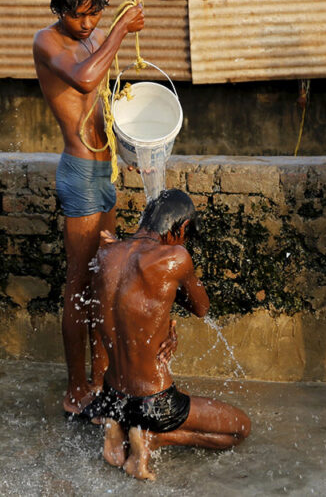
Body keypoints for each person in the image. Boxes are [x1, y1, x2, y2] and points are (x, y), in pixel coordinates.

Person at [32, 0, 145, 416]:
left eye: (95, 15)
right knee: (77, 282)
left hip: (106, 171)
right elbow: (83, 78)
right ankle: (77, 386)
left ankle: (103, 378)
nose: (87, 24)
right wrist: (117, 31)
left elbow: (102, 95)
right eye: (78, 15)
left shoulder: (94, 35)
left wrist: (134, 140)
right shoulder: (48, 41)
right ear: (60, 9)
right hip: (78, 171)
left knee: (106, 276)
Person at [85, 189, 250, 480]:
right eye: (187, 235)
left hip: (112, 394)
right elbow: (201, 307)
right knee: (240, 429)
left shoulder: (106, 251)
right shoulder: (175, 257)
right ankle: (150, 439)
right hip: (153, 402)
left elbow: (123, 309)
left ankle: (117, 425)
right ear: (182, 228)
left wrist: (164, 317)